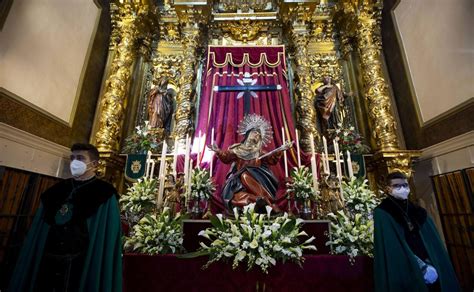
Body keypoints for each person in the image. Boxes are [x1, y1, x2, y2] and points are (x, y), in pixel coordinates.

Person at [8, 143, 122, 292]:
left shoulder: (105, 194)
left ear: (94, 164)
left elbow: (106, 236)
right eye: (72, 157)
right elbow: (40, 229)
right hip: (48, 257)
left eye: (80, 158)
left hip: (81, 260)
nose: (74, 162)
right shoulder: (55, 191)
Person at [374, 171, 460, 292]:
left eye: (405, 185)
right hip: (406, 265)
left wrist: (430, 261)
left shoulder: (417, 210)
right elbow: (392, 246)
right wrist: (421, 267)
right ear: (388, 189)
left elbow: (430, 240)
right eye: (397, 186)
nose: (402, 188)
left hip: (428, 260)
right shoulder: (383, 212)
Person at [208, 114, 292, 213]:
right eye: (255, 132)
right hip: (239, 183)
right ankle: (261, 201)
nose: (257, 135)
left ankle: (267, 202)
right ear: (248, 133)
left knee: (245, 175)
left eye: (259, 135)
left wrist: (280, 150)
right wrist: (218, 151)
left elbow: (272, 159)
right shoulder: (238, 149)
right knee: (236, 198)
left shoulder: (259, 152)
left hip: (258, 179)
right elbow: (226, 157)